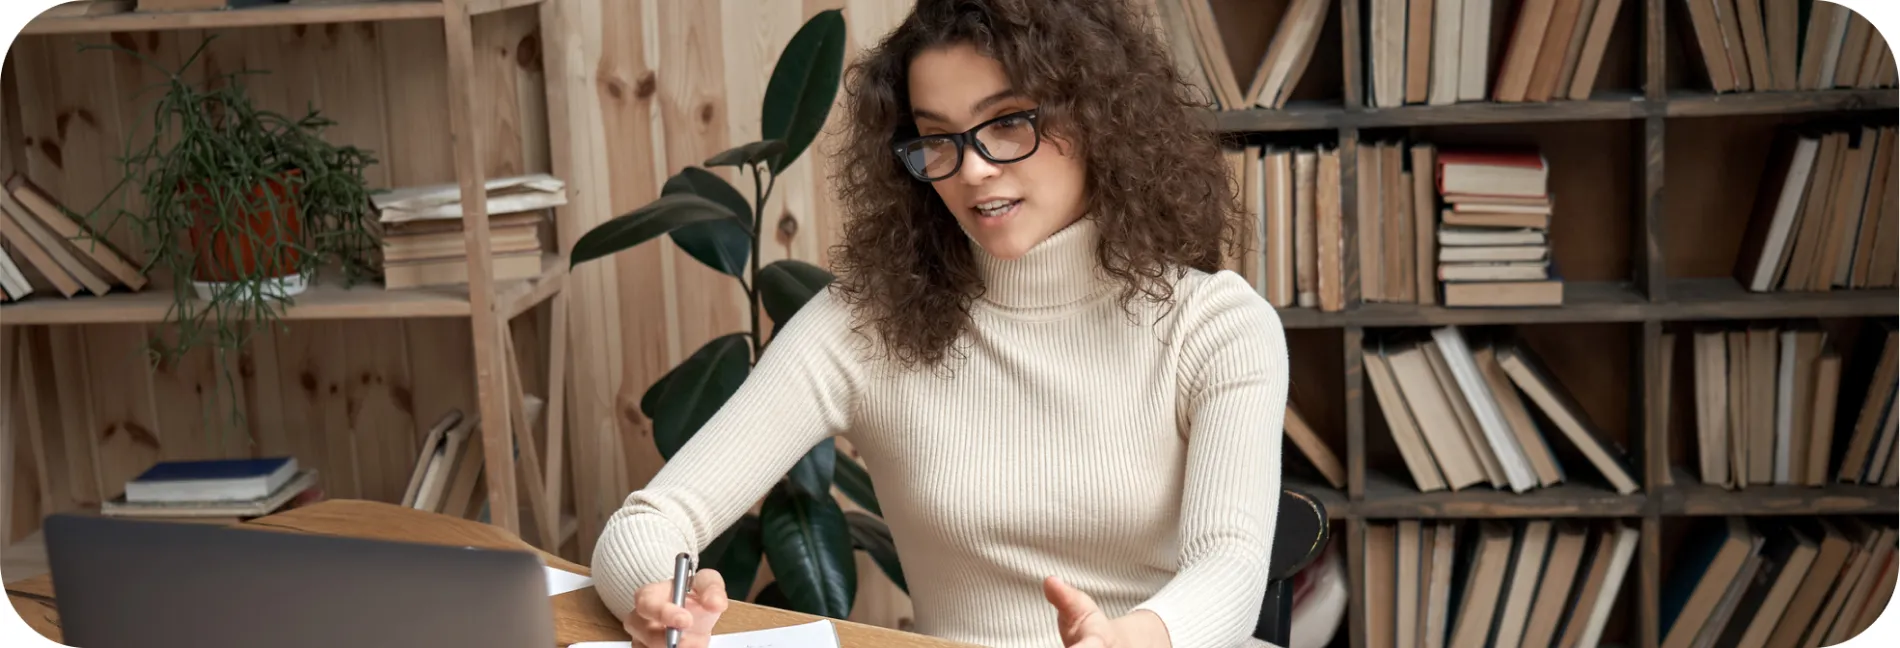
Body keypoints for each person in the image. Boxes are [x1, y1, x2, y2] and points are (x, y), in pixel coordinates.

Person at [591, 1, 1289, 647]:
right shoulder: (866, 323)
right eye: (937, 139)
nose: (974, 169)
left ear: (1099, 118)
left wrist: (1135, 639)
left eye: (1009, 121)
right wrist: (654, 596)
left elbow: (1228, 566)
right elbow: (648, 523)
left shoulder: (1216, 328)